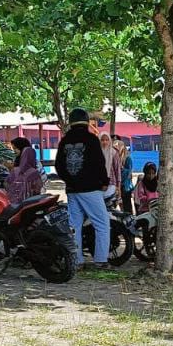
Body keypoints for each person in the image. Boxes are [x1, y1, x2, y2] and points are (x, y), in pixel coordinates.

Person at [54, 108, 111, 268]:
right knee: (102, 223)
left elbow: (59, 165)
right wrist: (104, 181)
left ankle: (77, 261)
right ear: (86, 122)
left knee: (74, 226)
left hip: (72, 190)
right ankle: (101, 260)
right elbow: (99, 163)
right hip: (91, 188)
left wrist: (69, 180)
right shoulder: (91, 139)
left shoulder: (64, 141)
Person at [6, 137, 43, 203]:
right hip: (32, 202)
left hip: (18, 203)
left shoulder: (16, 170)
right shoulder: (34, 171)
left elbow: (8, 185)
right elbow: (38, 189)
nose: (14, 151)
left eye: (15, 148)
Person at [100, 132, 120, 206]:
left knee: (109, 205)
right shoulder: (96, 153)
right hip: (99, 185)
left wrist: (118, 186)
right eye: (102, 140)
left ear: (109, 141)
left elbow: (117, 170)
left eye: (107, 140)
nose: (105, 142)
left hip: (111, 183)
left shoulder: (114, 153)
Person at [116, 135, 135, 214]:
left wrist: (121, 169)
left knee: (127, 205)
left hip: (125, 186)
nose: (117, 149)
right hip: (118, 185)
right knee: (120, 205)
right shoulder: (115, 158)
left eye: (119, 147)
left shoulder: (127, 158)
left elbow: (129, 172)